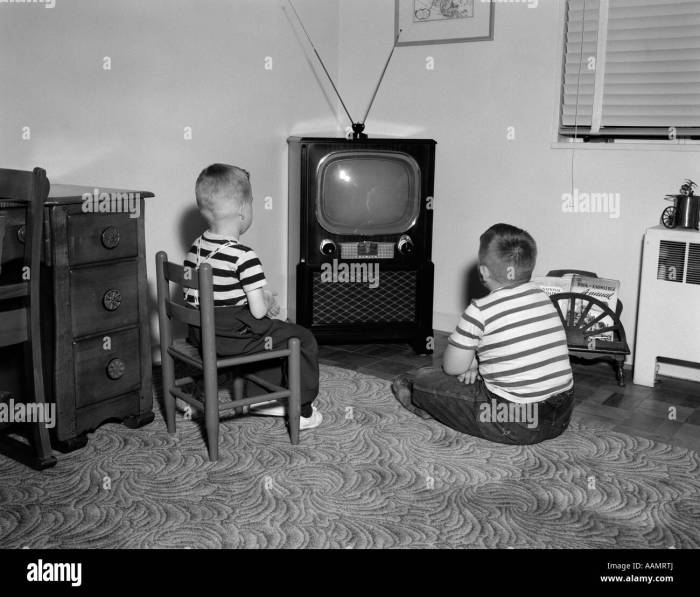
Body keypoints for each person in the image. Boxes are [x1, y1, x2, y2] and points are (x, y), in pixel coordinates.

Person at [392, 223, 574, 444]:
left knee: (421, 379)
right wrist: (476, 363)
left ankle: (432, 405)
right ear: (529, 267)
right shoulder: (543, 297)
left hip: (514, 422)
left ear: (483, 271)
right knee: (468, 380)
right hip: (560, 415)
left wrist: (467, 364)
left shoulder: (480, 310)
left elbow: (452, 367)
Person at [184, 163, 322, 429]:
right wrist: (265, 300)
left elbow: (216, 296)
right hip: (230, 341)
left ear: (204, 209)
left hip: (202, 335)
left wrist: (257, 297)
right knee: (300, 337)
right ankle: (302, 410)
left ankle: (261, 399)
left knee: (271, 334)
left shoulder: (196, 247)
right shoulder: (243, 256)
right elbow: (258, 312)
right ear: (244, 210)